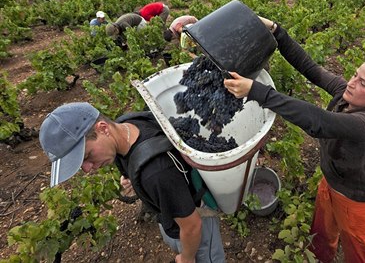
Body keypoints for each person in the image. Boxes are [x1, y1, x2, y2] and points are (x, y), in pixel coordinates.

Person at [223, 17, 365, 263]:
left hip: (356, 202)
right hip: (330, 183)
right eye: (355, 75)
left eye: (363, 83)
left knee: (360, 257)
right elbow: (310, 68)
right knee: (321, 240)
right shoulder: (347, 95)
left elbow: (320, 122)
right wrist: (276, 31)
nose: (352, 83)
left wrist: (257, 91)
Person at [39, 102, 226, 263]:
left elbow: (192, 227)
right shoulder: (126, 125)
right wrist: (132, 179)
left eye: (88, 156)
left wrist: (187, 258)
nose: (87, 169)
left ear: (103, 128)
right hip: (175, 210)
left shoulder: (156, 173)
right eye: (81, 164)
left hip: (194, 226)